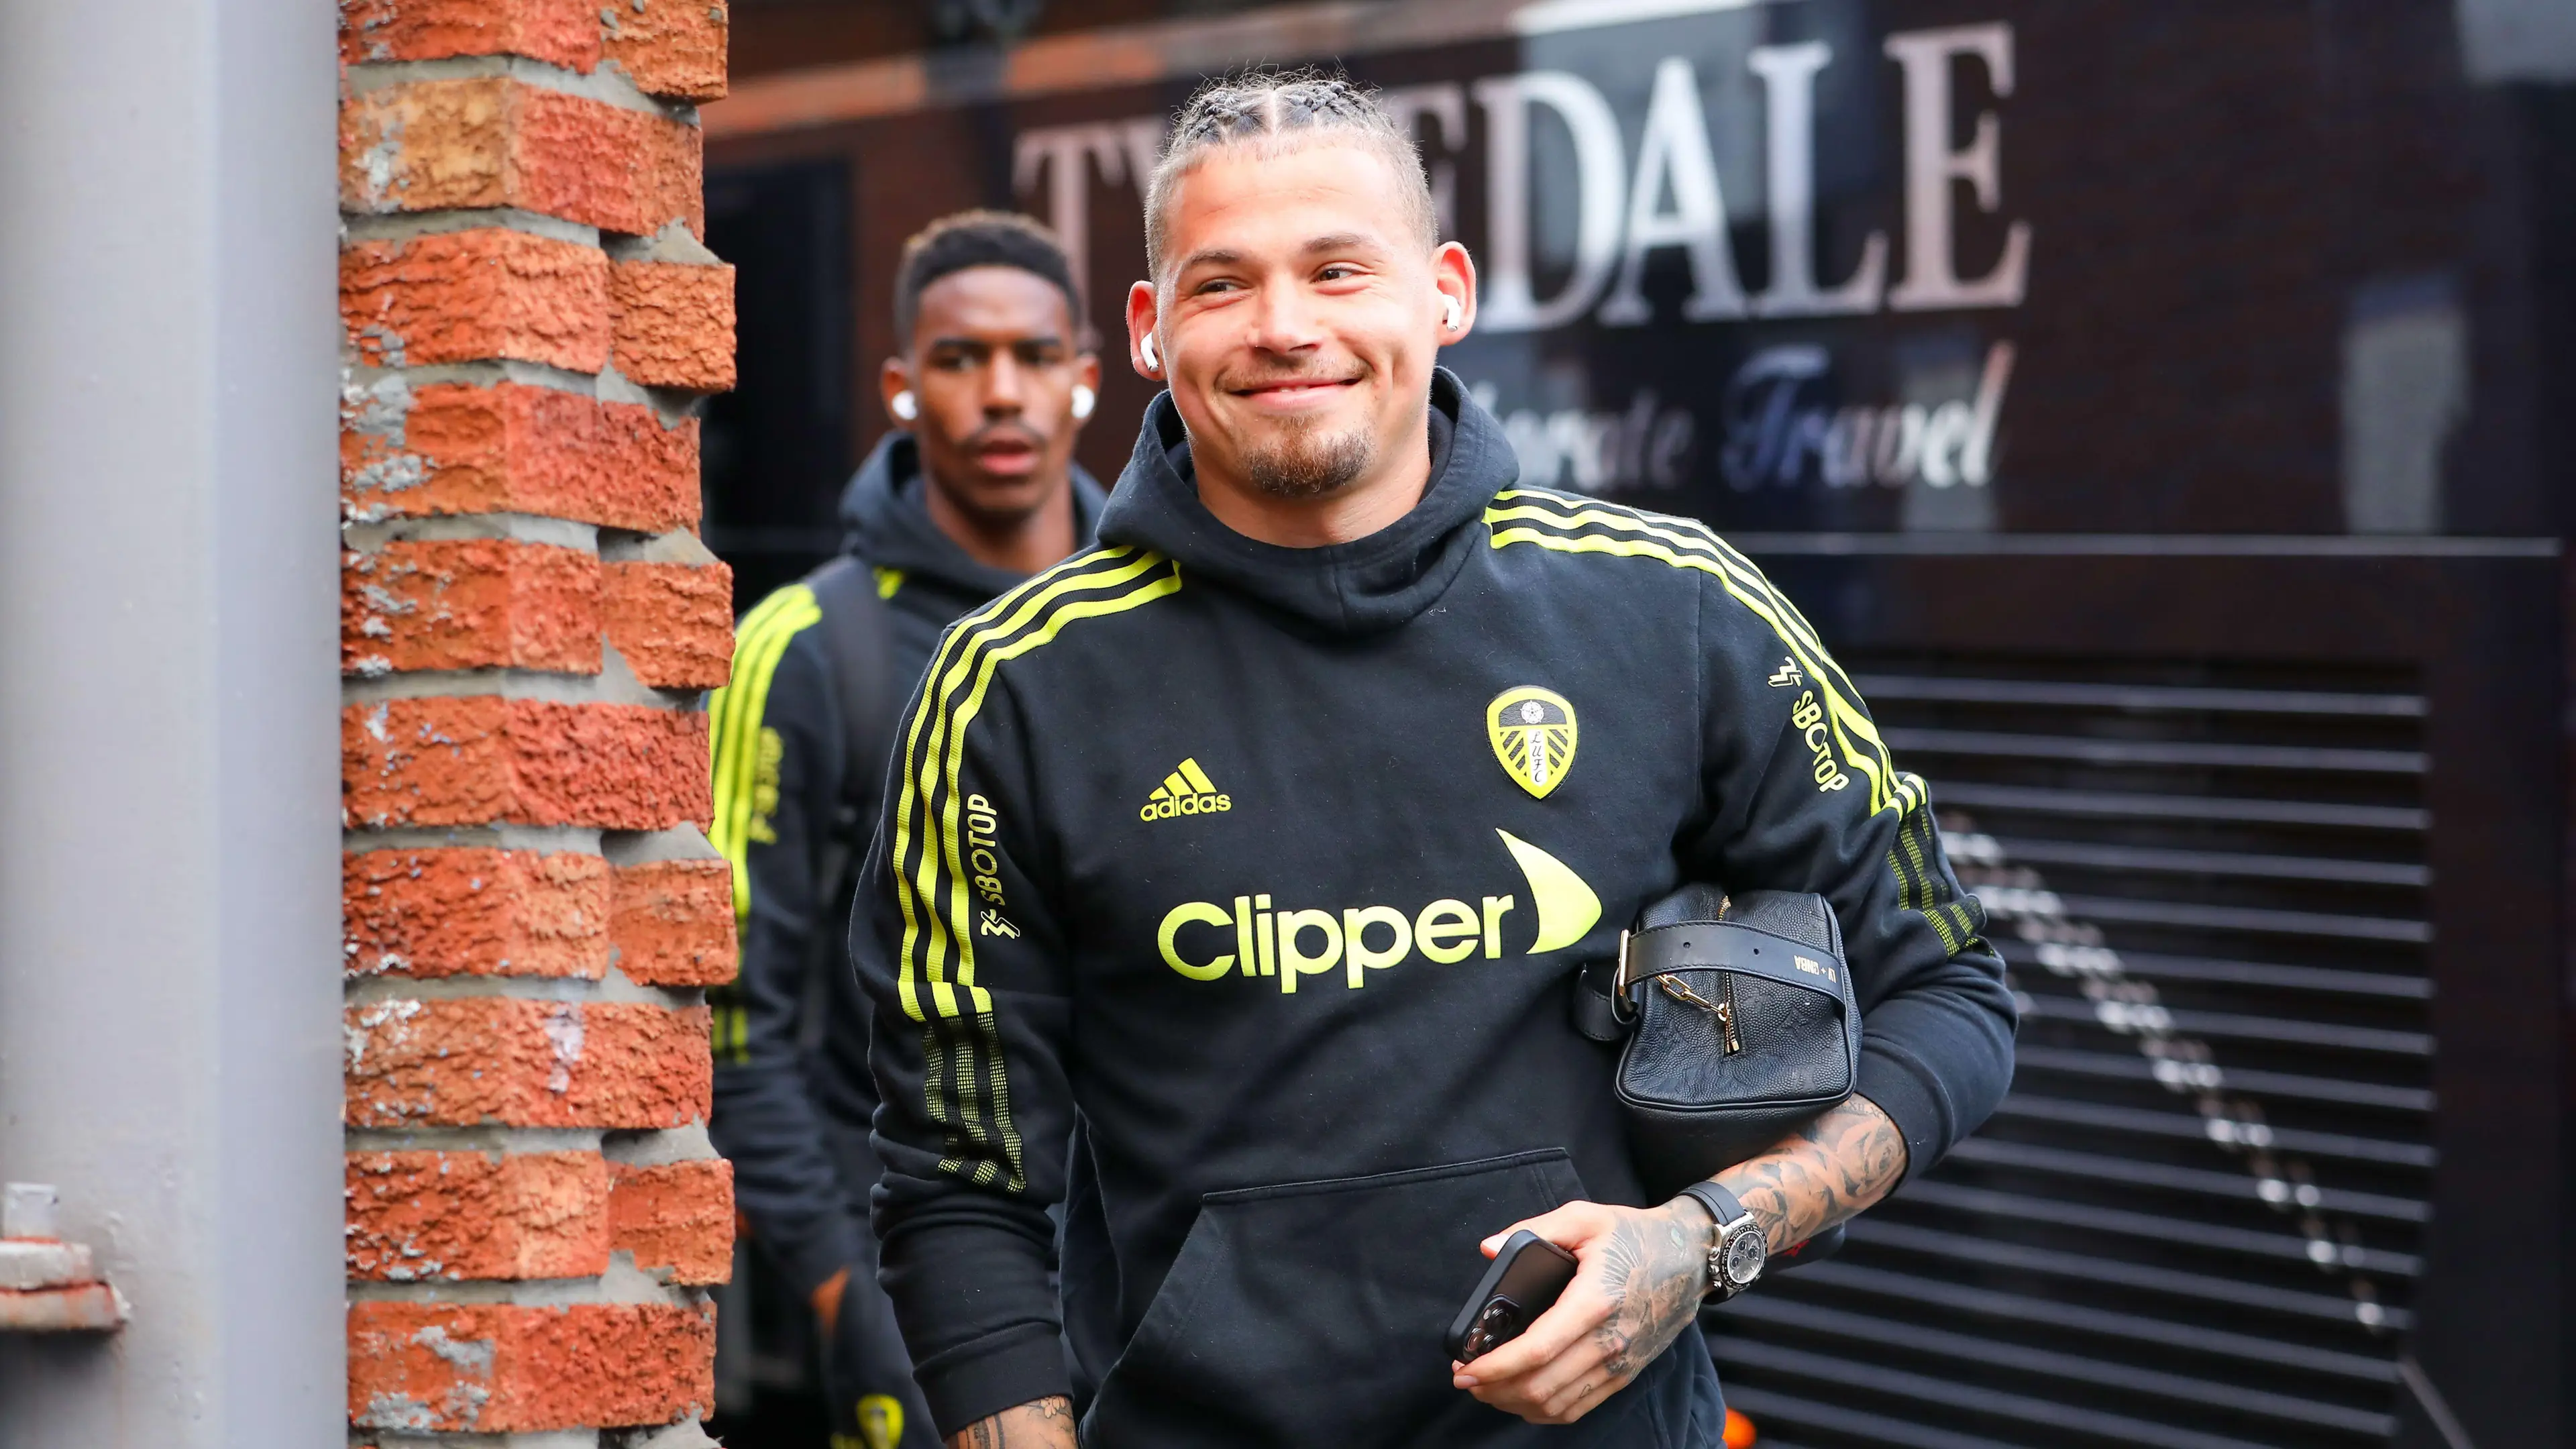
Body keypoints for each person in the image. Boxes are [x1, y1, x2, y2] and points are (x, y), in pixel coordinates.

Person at [853, 71, 2015, 1448]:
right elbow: (956, 1183)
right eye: (1223, 285)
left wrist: (1706, 1241)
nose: (1287, 327)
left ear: (1446, 292)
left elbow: (1945, 989)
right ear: (1153, 330)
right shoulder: (1015, 687)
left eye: (1339, 268)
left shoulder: (1680, 608)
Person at [708, 209, 1107, 1449]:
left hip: (1148, 1289)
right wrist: (849, 1297)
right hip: (912, 1287)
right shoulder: (807, 650)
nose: (1003, 393)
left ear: (1088, 377)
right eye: (958, 359)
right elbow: (730, 1022)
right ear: (900, 386)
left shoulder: (1160, 625)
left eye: (1036, 357)